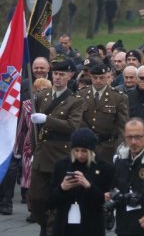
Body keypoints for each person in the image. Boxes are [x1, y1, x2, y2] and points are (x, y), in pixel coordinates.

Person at [29, 58, 85, 236]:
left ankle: (52, 231)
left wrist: (48, 120)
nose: (58, 77)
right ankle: (45, 225)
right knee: (35, 199)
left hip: (61, 154)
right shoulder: (42, 96)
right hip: (42, 152)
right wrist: (32, 150)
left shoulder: (75, 100)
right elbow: (32, 125)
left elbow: (72, 126)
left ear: (70, 76)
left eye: (62, 74)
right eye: (55, 74)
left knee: (57, 197)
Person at [47, 128, 114, 236]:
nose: (79, 155)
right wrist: (62, 188)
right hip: (65, 225)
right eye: (76, 150)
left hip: (91, 225)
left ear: (91, 150)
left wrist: (89, 186)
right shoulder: (62, 165)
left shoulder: (105, 168)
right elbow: (50, 202)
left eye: (84, 151)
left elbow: (104, 201)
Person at [79, 64, 129, 163]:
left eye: (101, 77)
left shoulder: (118, 97)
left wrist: (119, 149)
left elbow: (122, 126)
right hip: (85, 146)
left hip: (108, 147)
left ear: (107, 77)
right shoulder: (81, 94)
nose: (98, 80)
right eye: (95, 78)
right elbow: (78, 121)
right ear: (90, 77)